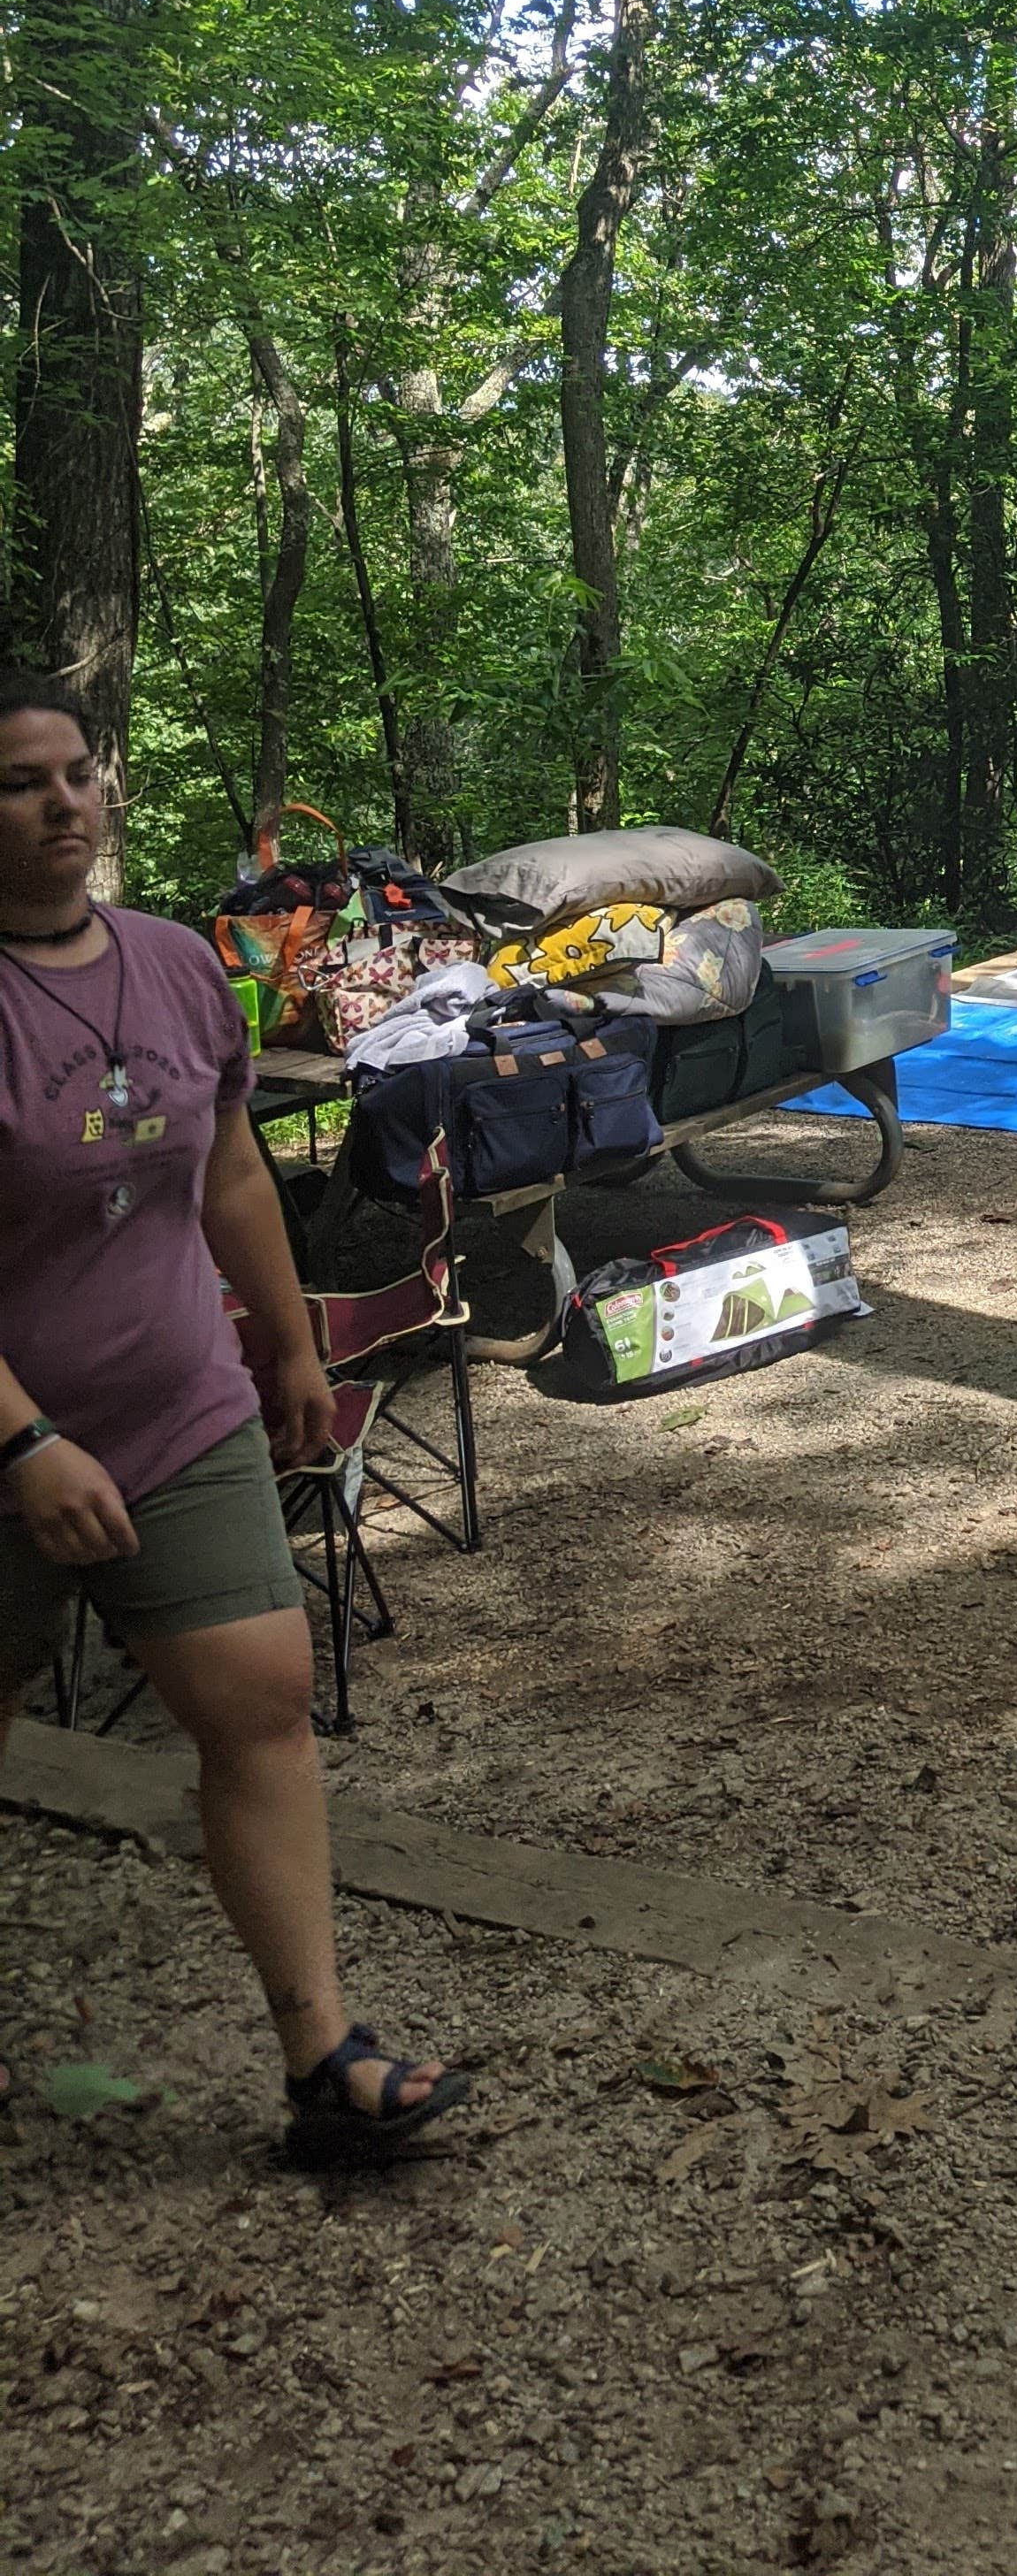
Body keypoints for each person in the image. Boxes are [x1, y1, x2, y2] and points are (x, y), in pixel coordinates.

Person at [0, 672, 469, 2162]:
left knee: (262, 1702)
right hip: (13, 1437)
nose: (66, 804)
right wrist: (24, 1444)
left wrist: (284, 1344)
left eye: (79, 773)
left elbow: (227, 1175)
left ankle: (320, 2053)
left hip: (173, 1402)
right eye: (24, 782)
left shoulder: (175, 963)